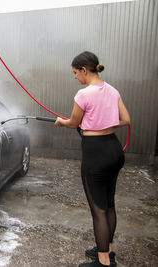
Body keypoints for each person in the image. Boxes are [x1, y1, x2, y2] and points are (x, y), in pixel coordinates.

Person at [55, 51, 131, 267]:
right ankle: (108, 249)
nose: (75, 77)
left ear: (84, 70)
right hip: (114, 149)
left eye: (75, 73)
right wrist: (104, 122)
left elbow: (73, 123)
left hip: (95, 152)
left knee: (98, 209)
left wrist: (61, 122)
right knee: (108, 204)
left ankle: (104, 261)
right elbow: (126, 119)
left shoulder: (84, 94)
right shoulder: (113, 90)